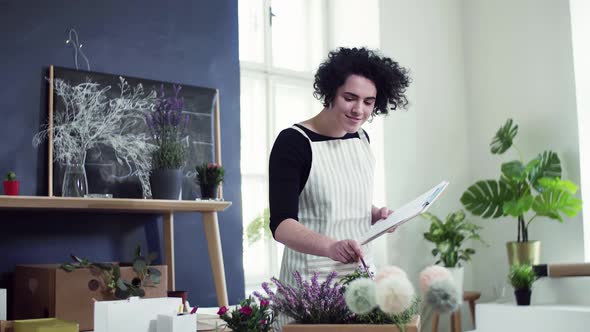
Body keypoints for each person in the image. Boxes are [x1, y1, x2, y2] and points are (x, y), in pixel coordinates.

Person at [269, 47, 411, 287]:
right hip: (310, 283)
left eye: (368, 102)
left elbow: (339, 198)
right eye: (350, 98)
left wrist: (376, 215)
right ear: (330, 92)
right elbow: (282, 226)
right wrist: (330, 247)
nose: (359, 110)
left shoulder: (361, 138)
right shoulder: (294, 142)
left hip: (361, 278)